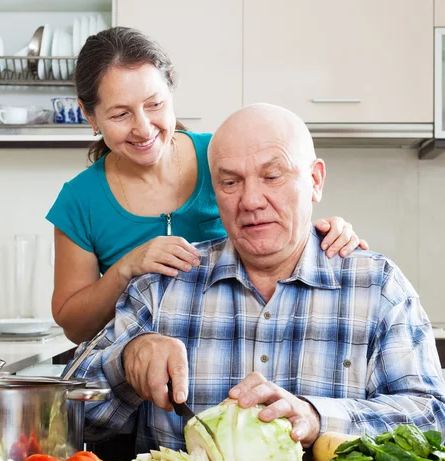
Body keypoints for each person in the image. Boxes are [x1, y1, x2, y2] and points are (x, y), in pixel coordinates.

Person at [68, 103, 445, 454]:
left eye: (272, 176)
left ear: (315, 181)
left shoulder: (376, 287)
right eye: (230, 182)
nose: (251, 201)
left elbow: (432, 417)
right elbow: (65, 415)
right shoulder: (164, 283)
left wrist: (317, 418)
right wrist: (125, 363)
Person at [46, 27, 367, 345]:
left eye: (154, 105)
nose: (143, 128)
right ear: (90, 115)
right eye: (120, 114)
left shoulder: (224, 157)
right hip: (135, 375)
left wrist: (328, 233)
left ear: (171, 90)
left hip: (241, 352)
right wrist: (127, 267)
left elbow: (284, 232)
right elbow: (75, 328)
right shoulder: (79, 200)